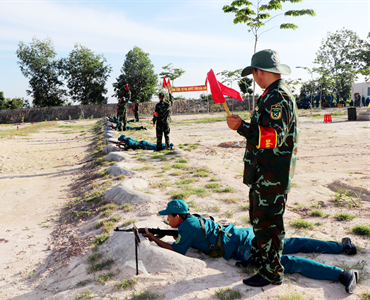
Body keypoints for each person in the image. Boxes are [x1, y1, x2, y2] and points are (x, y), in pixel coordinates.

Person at [142, 199, 359, 294]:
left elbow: (176, 250)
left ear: (178, 216)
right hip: (243, 232)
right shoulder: (192, 220)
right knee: (293, 243)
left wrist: (153, 238)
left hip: (241, 246)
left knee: (283, 262)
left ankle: (341, 274)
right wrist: (165, 233)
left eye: (168, 217)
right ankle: (342, 247)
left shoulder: (185, 228)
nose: (167, 220)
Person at [225, 49, 298, 287]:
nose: (254, 78)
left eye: (254, 72)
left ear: (260, 72)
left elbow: (273, 137)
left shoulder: (278, 98)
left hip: (272, 175)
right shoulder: (270, 95)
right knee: (259, 219)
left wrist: (242, 127)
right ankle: (259, 259)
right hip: (264, 173)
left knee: (269, 223)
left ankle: (272, 272)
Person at [152, 86, 173, 151]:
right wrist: (170, 93)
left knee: (159, 136)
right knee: (167, 135)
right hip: (166, 122)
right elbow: (171, 101)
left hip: (159, 123)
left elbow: (156, 114)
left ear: (159, 98)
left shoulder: (157, 105)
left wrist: (154, 121)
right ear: (164, 97)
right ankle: (168, 147)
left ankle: (159, 148)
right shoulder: (167, 104)